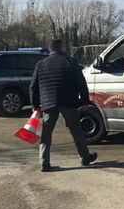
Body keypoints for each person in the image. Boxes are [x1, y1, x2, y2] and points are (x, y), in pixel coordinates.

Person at [30, 39, 97, 172]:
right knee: (76, 130)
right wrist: (84, 100)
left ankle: (44, 162)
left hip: (49, 103)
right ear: (61, 48)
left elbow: (33, 87)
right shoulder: (70, 62)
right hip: (69, 102)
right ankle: (84, 157)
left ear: (50, 49)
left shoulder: (41, 64)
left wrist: (35, 105)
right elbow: (81, 82)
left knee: (46, 133)